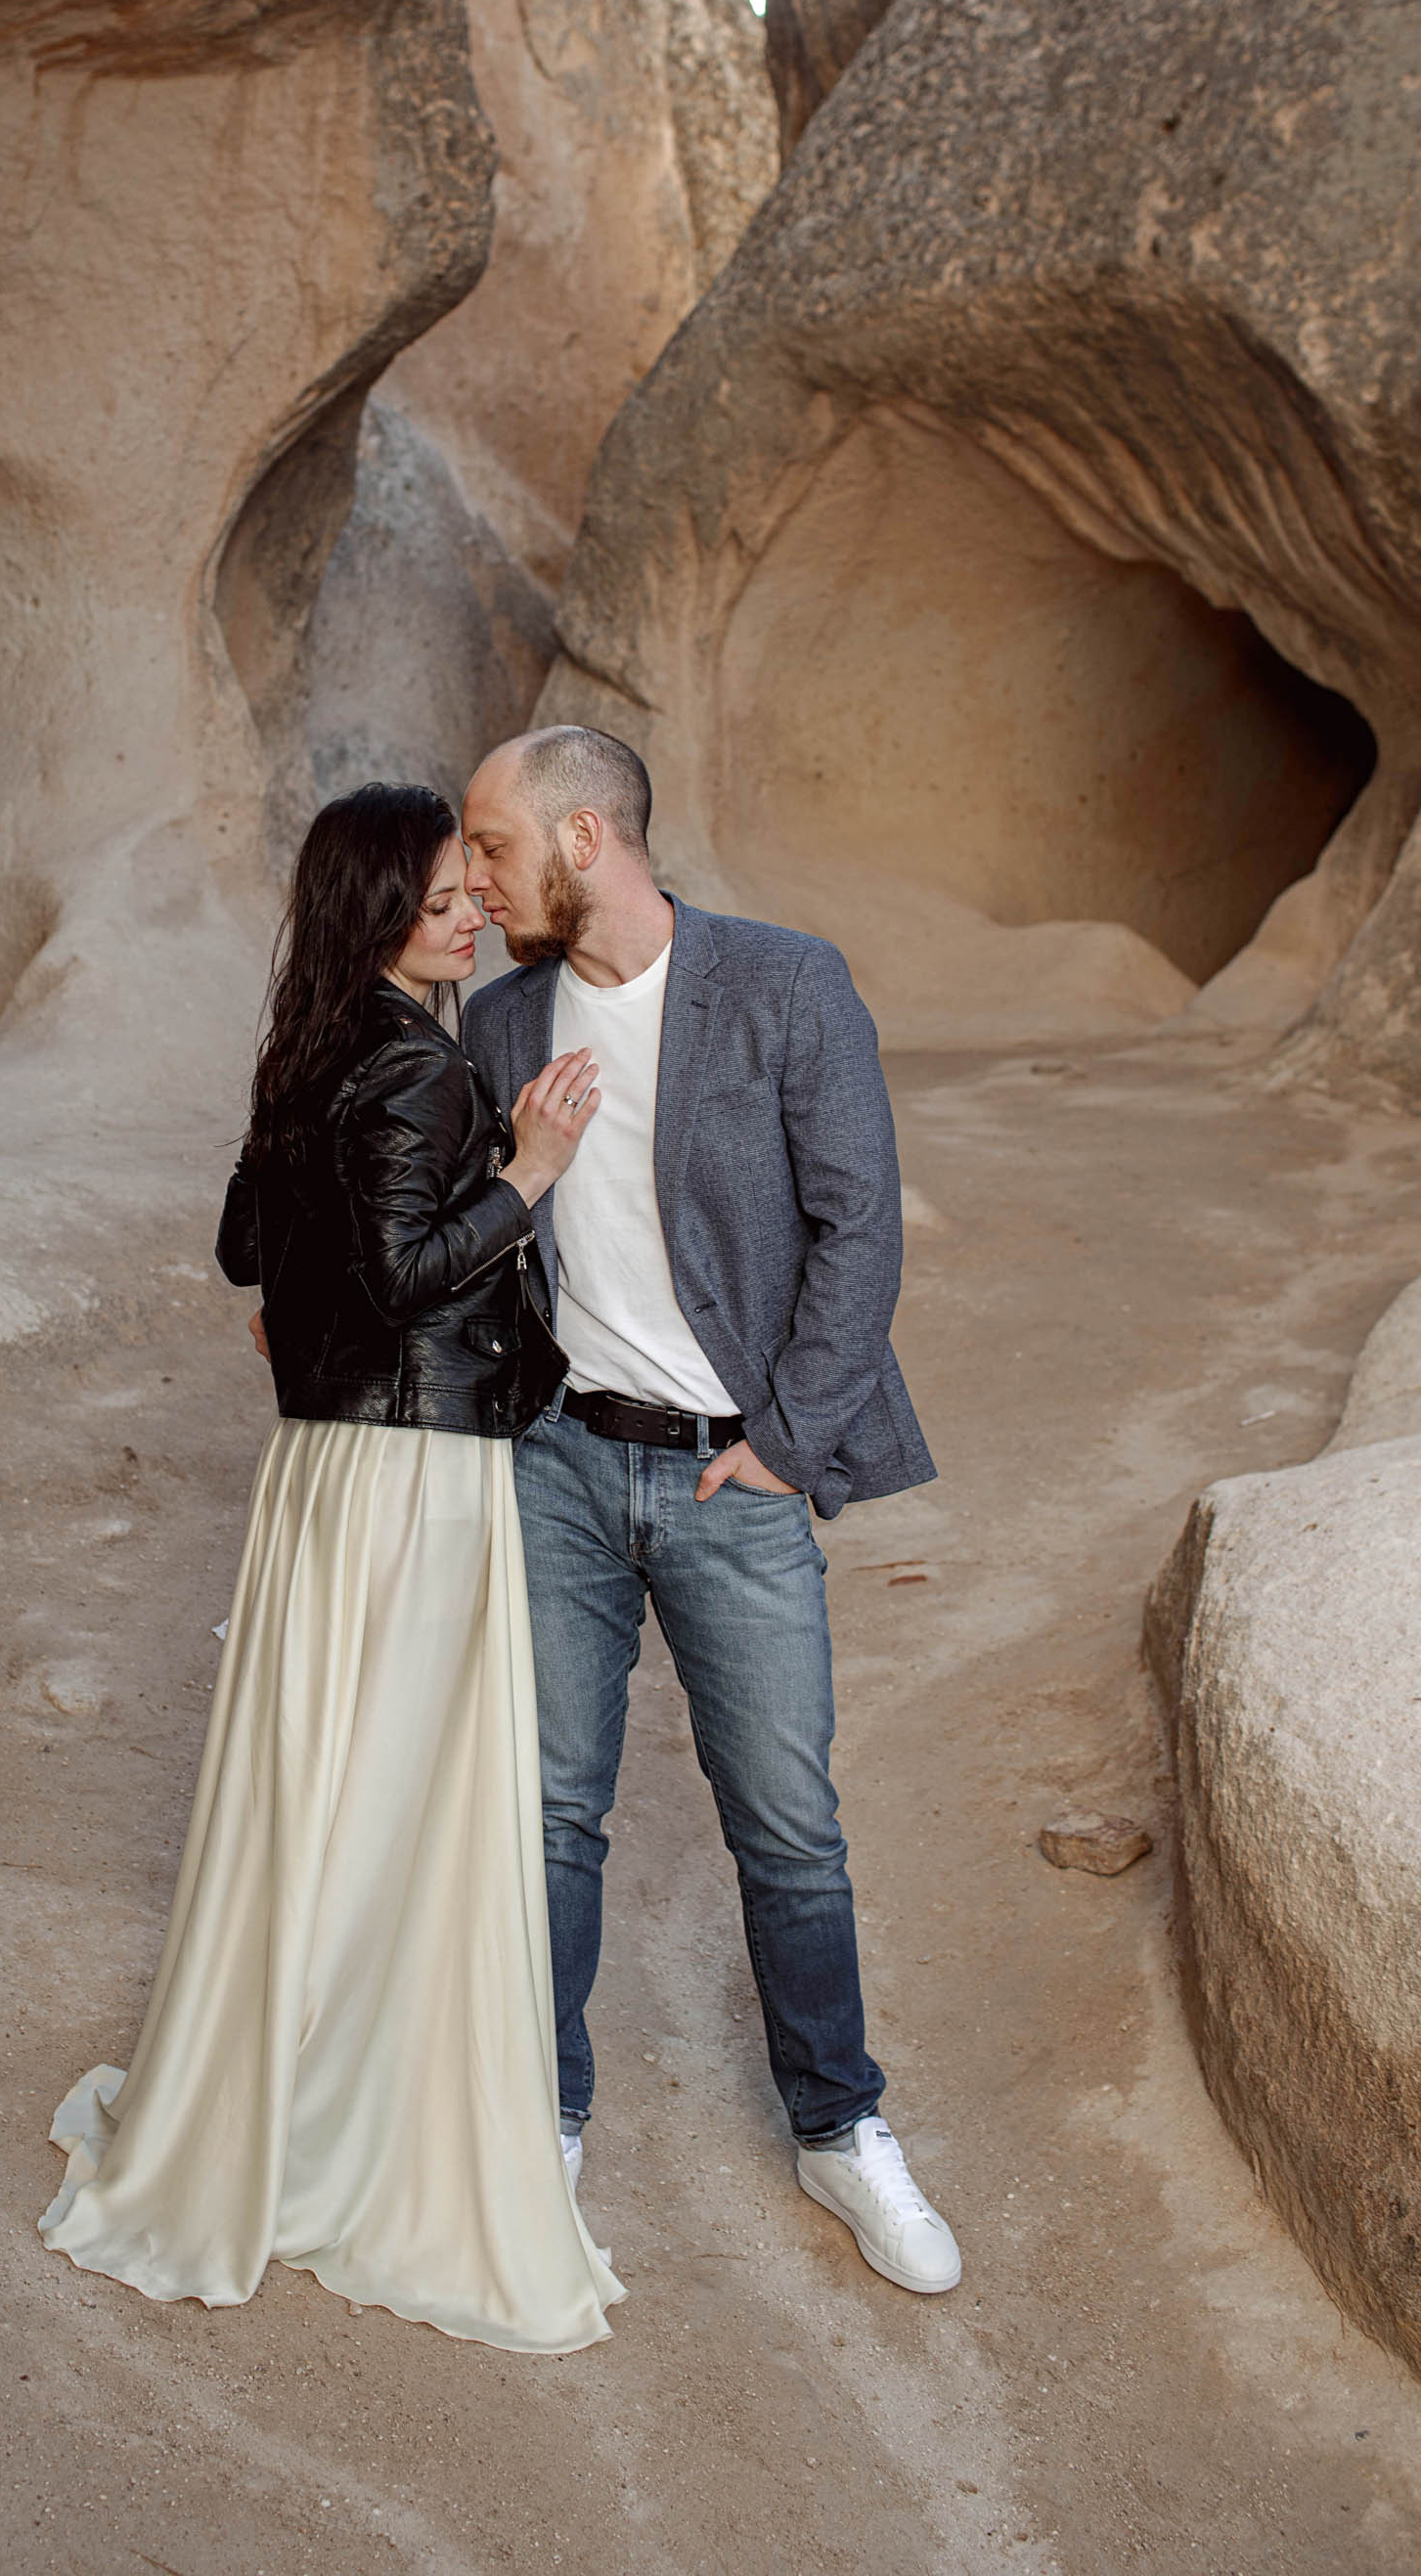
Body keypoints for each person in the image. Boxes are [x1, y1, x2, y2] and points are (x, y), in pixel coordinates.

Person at [39, 782, 624, 2351]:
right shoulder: (424, 1067)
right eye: (443, 894)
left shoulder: (310, 1050)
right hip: (410, 1475)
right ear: (379, 913)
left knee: (330, 1778)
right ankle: (354, 2122)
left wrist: (313, 1302)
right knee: (402, 1792)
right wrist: (536, 1164)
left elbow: (251, 1249)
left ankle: (287, 2091)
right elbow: (402, 1272)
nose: (472, 912)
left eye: (468, 889)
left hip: (323, 1471)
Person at [460, 727, 961, 2297]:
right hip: (558, 1465)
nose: (472, 882)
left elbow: (859, 1227)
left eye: (490, 846)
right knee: (549, 1814)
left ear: (585, 836)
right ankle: (543, 2118)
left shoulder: (786, 984)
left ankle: (839, 2127)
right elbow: (474, 1227)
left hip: (733, 1476)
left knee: (789, 1829)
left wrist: (791, 1440)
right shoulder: (499, 1023)